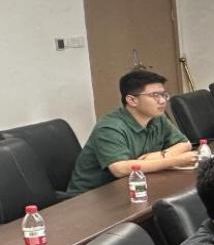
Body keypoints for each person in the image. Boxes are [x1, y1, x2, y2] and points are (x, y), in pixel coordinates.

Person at [67, 69, 196, 193]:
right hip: (92, 196)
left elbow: (184, 144)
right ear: (132, 100)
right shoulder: (110, 128)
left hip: (134, 186)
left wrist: (160, 155)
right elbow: (120, 169)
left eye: (163, 95)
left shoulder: (157, 118)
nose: (162, 101)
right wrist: (176, 160)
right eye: (155, 95)